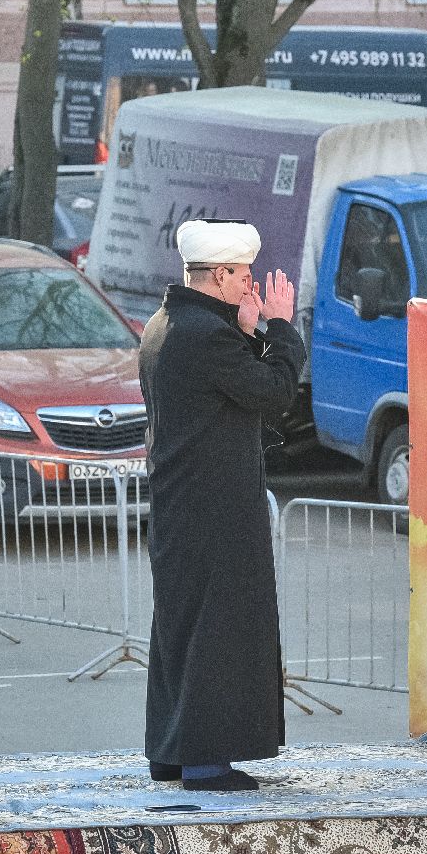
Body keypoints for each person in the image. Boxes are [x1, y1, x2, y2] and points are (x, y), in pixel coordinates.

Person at [138, 219, 305, 792]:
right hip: (216, 507)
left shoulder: (166, 324)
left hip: (181, 504)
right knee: (219, 627)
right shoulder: (204, 335)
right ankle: (206, 762)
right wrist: (281, 329)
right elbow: (273, 394)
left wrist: (250, 332)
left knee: (180, 626)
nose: (249, 285)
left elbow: (231, 389)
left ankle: (173, 750)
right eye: (243, 275)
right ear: (220, 275)